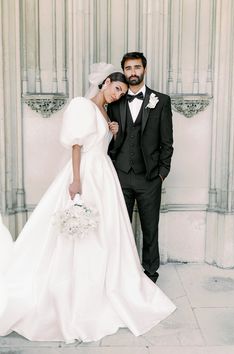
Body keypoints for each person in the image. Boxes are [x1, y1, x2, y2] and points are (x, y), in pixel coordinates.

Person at [0, 63, 175, 343]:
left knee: (106, 233)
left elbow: (101, 142)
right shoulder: (82, 104)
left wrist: (113, 131)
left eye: (121, 92)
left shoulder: (105, 111)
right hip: (87, 174)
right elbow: (77, 145)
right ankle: (75, 292)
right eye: (116, 88)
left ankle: (107, 284)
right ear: (104, 83)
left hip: (104, 176)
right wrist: (77, 179)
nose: (118, 95)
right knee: (79, 232)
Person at [108, 52, 174, 283]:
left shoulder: (161, 101)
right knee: (120, 228)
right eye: (128, 68)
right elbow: (106, 137)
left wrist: (162, 174)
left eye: (137, 67)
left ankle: (150, 273)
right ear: (123, 71)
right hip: (121, 175)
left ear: (144, 70)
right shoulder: (115, 100)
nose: (133, 72)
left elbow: (167, 142)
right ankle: (123, 273)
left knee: (150, 228)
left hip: (149, 178)